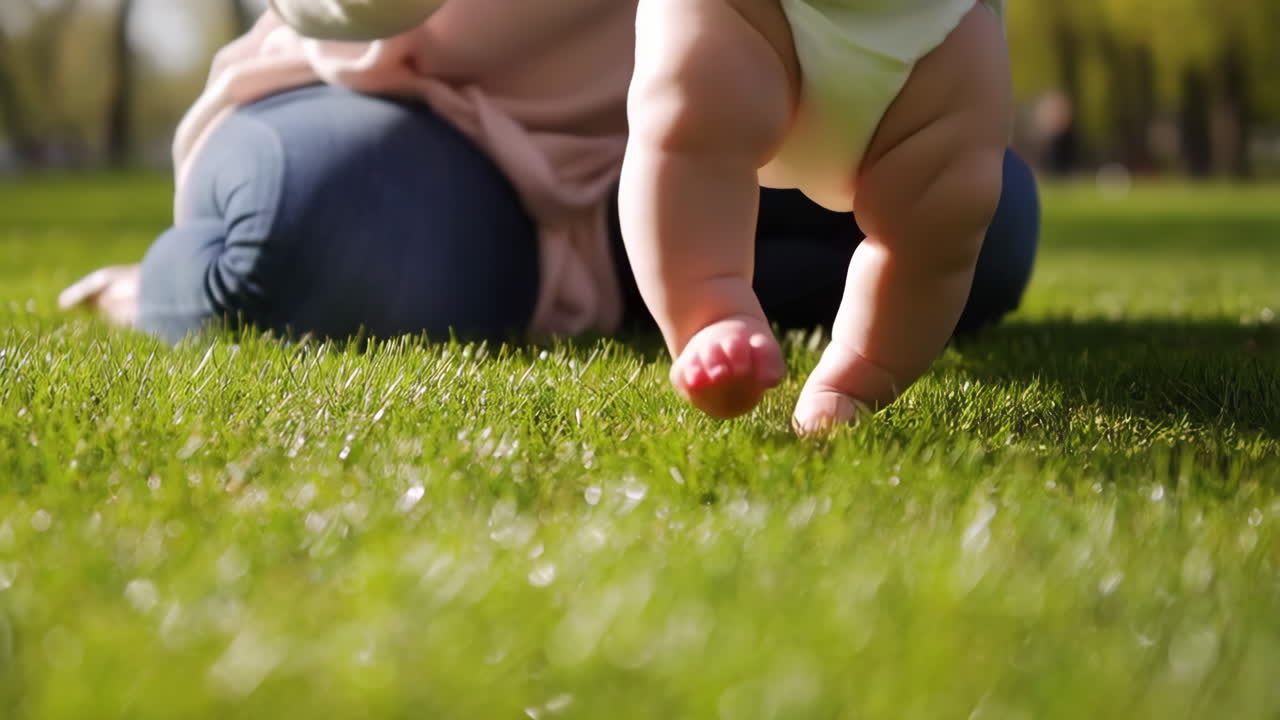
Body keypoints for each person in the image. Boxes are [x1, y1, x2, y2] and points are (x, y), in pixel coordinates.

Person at [60, 1, 1038, 433]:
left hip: (733, 130)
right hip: (433, 109)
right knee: (293, 235)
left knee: (981, 228)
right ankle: (148, 291)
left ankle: (658, 275)